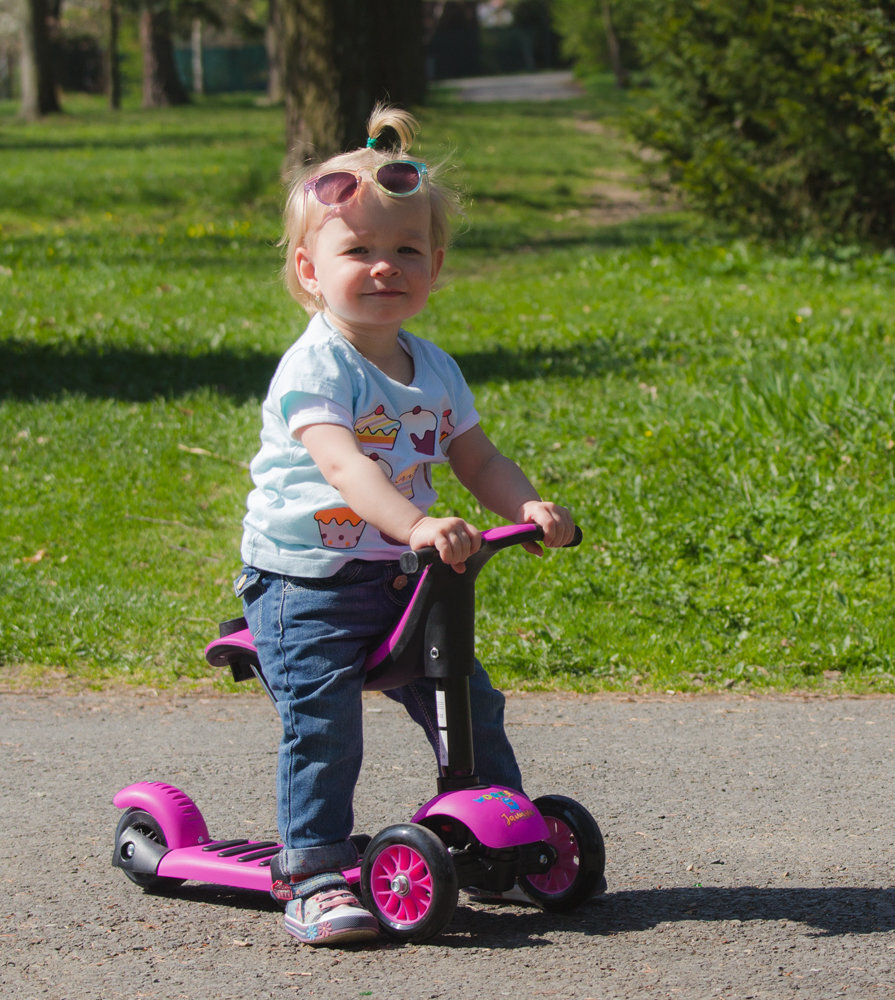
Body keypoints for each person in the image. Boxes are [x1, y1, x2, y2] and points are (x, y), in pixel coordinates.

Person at [236, 104, 576, 945]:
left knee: (468, 700)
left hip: (402, 575)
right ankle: (313, 875)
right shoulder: (315, 367)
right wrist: (417, 523)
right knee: (324, 723)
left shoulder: (435, 368)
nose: (385, 267)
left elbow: (478, 458)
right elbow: (346, 468)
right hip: (304, 582)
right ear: (309, 272)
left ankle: (496, 840)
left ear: (437, 264)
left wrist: (525, 504)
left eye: (407, 251)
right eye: (357, 251)